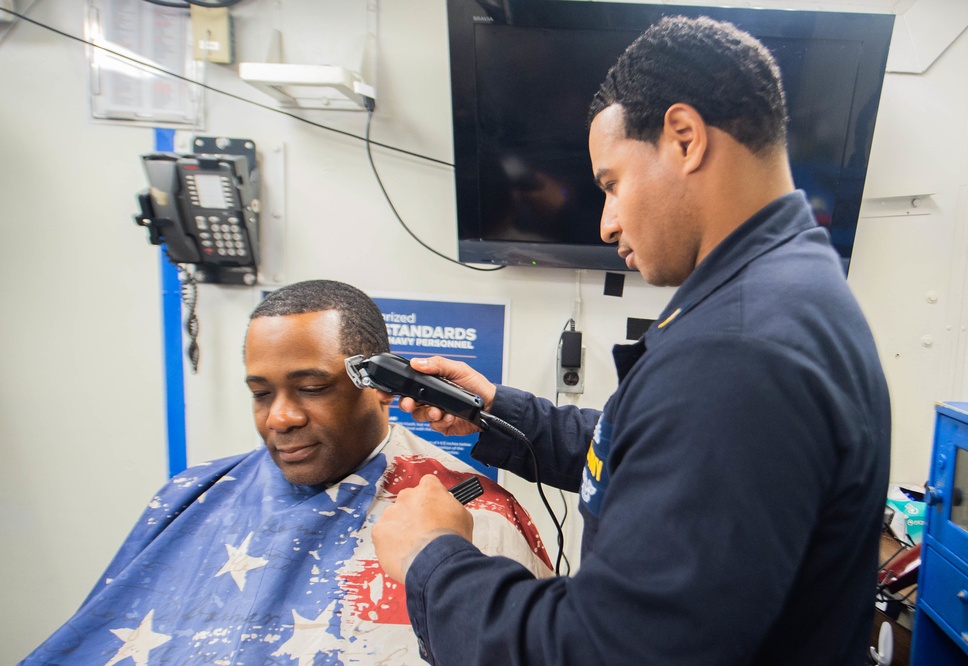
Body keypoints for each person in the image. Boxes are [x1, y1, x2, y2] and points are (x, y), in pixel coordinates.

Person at [372, 15, 891, 666]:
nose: (607, 221)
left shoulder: (740, 347)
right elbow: (667, 455)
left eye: (612, 183)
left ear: (683, 138)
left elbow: (609, 651)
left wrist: (435, 557)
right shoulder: (780, 290)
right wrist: (497, 413)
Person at [21, 280, 551, 665]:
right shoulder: (193, 494)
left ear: (383, 385)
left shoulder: (470, 514)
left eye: (313, 388)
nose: (280, 417)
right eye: (260, 393)